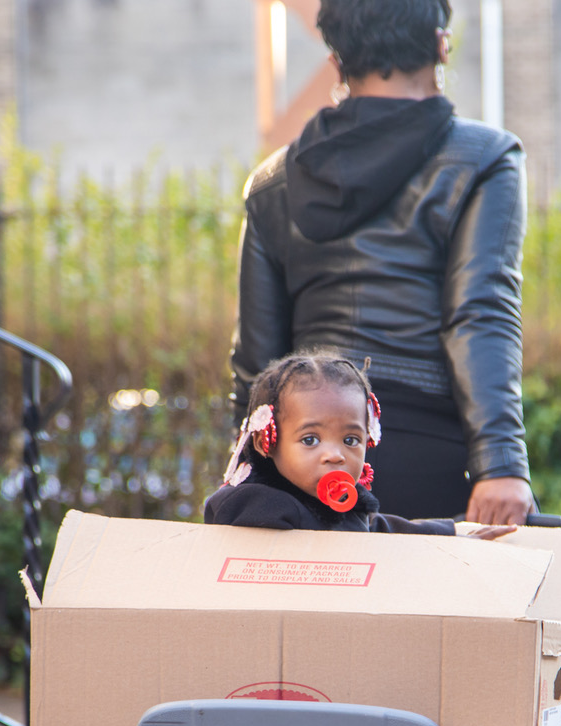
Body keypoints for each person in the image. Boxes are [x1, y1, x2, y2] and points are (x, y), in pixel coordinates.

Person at [229, 0, 534, 526]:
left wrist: (246, 474)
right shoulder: (485, 160)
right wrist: (500, 463)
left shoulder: (271, 182)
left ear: (336, 54)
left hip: (304, 465)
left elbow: (257, 362)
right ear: (440, 43)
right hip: (433, 458)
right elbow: (480, 315)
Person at [205, 353, 515, 540]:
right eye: (310, 439)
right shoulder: (256, 504)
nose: (335, 455)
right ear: (267, 442)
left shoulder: (342, 506)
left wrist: (455, 534)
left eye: (351, 440)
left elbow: (384, 531)